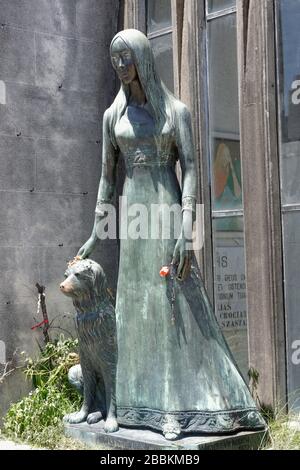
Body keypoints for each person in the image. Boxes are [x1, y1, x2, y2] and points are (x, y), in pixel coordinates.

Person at [77, 29, 265, 440]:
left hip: (165, 211)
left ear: (143, 58)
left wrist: (186, 228)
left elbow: (194, 169)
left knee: (172, 307)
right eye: (115, 61)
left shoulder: (176, 111)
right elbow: (108, 178)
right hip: (133, 219)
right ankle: (130, 404)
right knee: (135, 309)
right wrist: (96, 233)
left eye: (127, 59)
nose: (122, 68)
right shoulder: (114, 117)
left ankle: (175, 408)